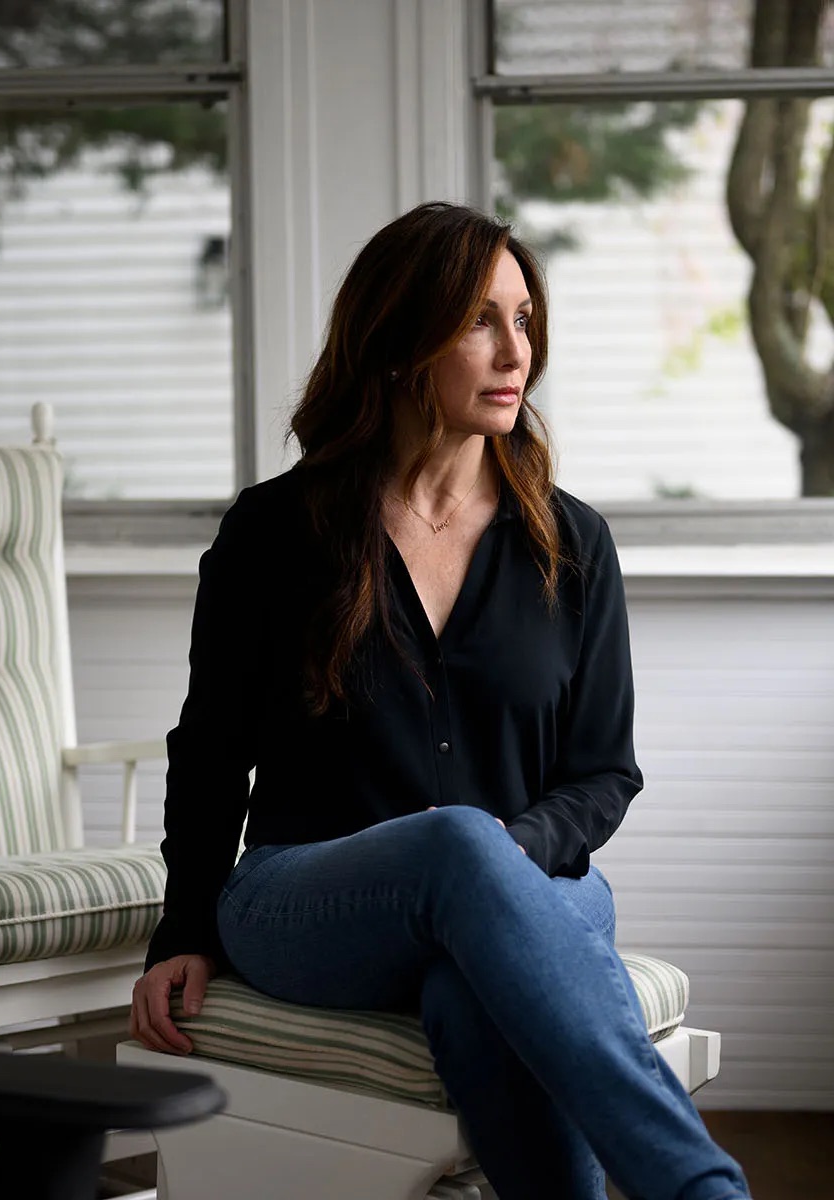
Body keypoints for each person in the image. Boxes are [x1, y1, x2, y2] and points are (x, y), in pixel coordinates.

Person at [130, 201, 751, 1200]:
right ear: (401, 341)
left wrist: (510, 851)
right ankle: (701, 1192)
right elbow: (209, 750)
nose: (518, 351)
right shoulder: (276, 533)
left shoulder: (571, 545)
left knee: (473, 970)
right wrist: (182, 932)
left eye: (525, 318)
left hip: (535, 890)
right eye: (481, 321)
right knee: (458, 845)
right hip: (308, 902)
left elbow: (603, 772)